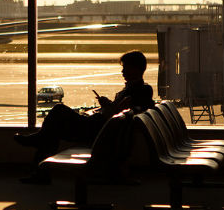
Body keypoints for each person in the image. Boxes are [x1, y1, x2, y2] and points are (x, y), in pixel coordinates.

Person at [14, 50, 155, 184]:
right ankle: (40, 167)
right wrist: (108, 105)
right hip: (100, 128)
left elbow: (119, 113)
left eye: (126, 68)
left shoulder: (140, 90)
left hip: (97, 131)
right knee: (53, 129)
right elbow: (120, 111)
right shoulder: (134, 89)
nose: (122, 71)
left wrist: (108, 107)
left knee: (58, 111)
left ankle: (40, 163)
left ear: (136, 69)